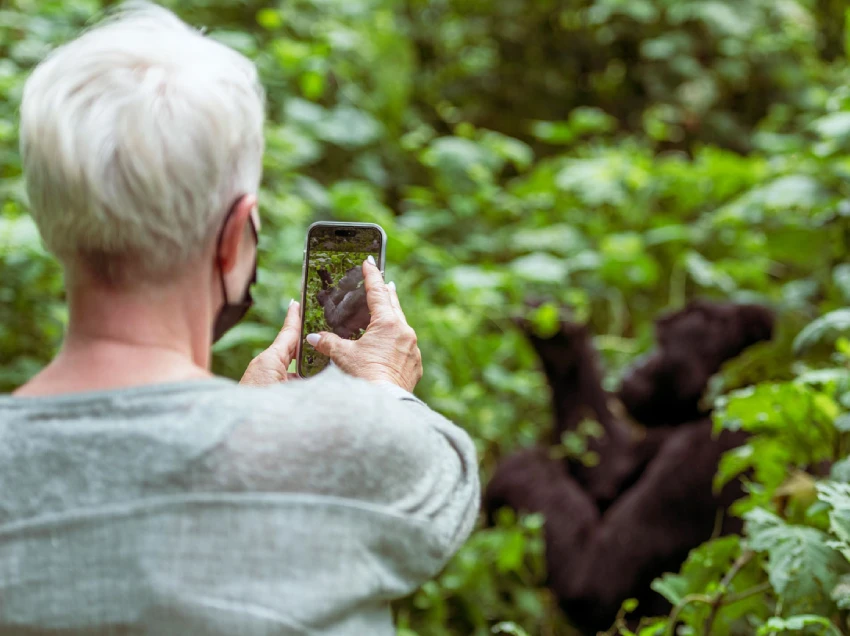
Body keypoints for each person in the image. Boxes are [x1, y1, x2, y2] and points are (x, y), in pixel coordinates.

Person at [0, 3, 479, 634]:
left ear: (49, 219)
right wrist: (381, 391)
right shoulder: (361, 449)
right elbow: (448, 481)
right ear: (235, 237)